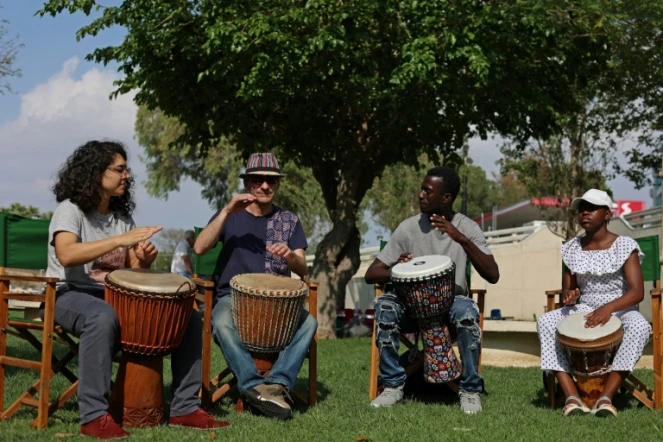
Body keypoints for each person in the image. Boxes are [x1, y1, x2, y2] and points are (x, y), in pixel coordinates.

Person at [46, 140, 229, 439]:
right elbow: (67, 254)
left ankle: (184, 408)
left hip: (113, 295)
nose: (127, 175)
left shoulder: (120, 217)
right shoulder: (70, 210)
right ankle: (94, 416)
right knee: (102, 316)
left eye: (126, 169)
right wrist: (120, 241)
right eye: (119, 169)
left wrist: (143, 259)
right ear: (95, 173)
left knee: (188, 316)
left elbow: (130, 270)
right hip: (67, 294)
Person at [365, 166, 499, 414]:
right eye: (421, 189)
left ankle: (470, 390)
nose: (420, 195)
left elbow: (493, 275)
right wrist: (398, 268)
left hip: (451, 305)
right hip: (411, 308)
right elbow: (371, 273)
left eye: (427, 191)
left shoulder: (466, 227)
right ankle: (393, 386)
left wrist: (460, 239)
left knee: (467, 312)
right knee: (385, 306)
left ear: (446, 197)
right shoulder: (408, 228)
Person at [194, 152, 317, 420]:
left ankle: (278, 382)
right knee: (222, 323)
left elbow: (303, 268)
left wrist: (290, 255)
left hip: (278, 303)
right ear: (248, 182)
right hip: (232, 298)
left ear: (278, 184)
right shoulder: (230, 215)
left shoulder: (289, 220)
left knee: (309, 323)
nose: (265, 186)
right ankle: (253, 387)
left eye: (271, 181)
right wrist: (226, 210)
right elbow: (200, 247)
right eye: (258, 180)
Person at [537, 189, 651, 417]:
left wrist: (608, 308)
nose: (584, 214)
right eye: (581, 210)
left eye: (591, 209)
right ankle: (571, 397)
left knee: (638, 327)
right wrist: (569, 296)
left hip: (621, 309)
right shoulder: (572, 248)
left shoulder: (624, 246)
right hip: (585, 308)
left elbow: (637, 292)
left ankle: (606, 398)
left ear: (607, 214)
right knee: (546, 322)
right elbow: (568, 290)